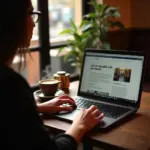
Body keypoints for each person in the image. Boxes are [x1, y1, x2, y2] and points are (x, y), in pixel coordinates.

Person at [0, 0, 104, 149]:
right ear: (12, 21)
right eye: (30, 13)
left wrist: (39, 108)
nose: (34, 24)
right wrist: (79, 125)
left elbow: (6, 115)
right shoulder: (10, 85)